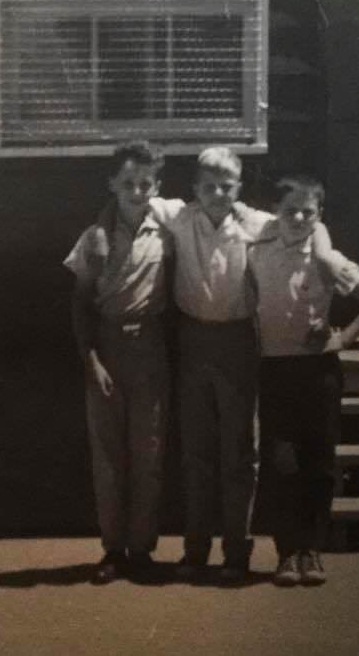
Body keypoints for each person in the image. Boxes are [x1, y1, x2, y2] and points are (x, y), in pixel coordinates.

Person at [146, 148, 340, 585]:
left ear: (239, 187)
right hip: (192, 338)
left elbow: (308, 218)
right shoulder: (178, 216)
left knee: (238, 451)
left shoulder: (257, 223)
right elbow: (127, 200)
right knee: (196, 449)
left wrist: (326, 254)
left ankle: (237, 549)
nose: (218, 193)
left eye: (227, 185)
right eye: (209, 185)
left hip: (239, 341)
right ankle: (196, 548)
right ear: (195, 188)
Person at [248, 176, 359, 587]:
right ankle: (286, 551)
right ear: (276, 210)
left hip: (318, 372)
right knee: (281, 463)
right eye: (290, 210)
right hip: (274, 371)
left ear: (320, 215)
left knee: (319, 463)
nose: (299, 218)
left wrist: (342, 338)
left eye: (309, 211)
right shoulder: (259, 251)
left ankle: (312, 549)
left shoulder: (328, 259)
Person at [65, 141, 172, 584]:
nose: (137, 190)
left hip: (150, 348)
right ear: (113, 184)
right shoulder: (94, 237)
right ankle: (112, 548)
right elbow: (80, 305)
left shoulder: (168, 230)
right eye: (128, 182)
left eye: (145, 183)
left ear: (157, 187)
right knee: (109, 456)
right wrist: (93, 359)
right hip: (107, 350)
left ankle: (142, 548)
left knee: (147, 453)